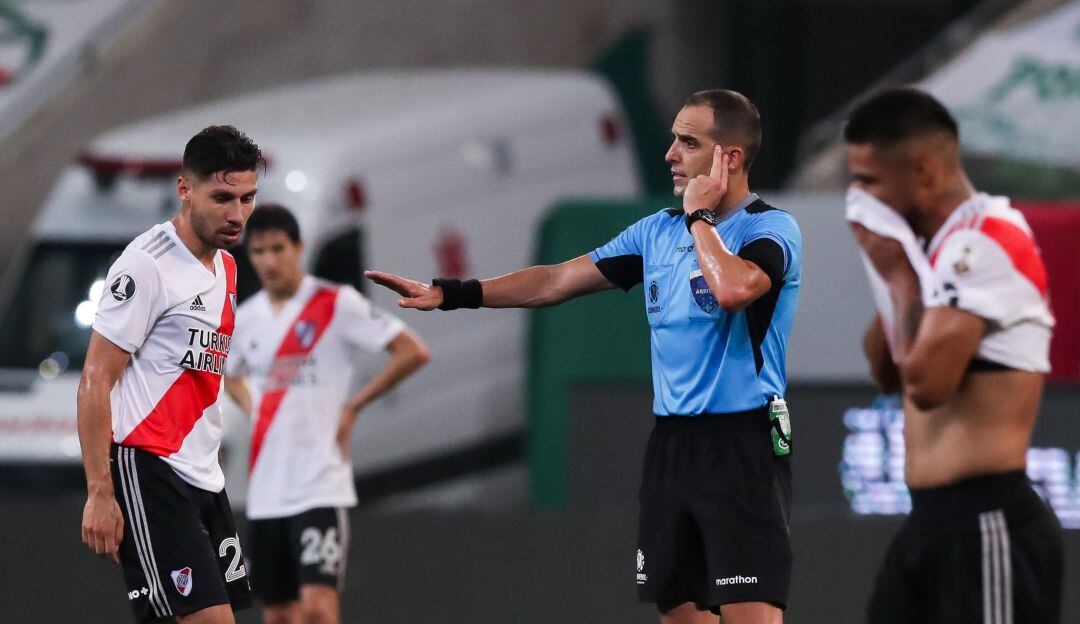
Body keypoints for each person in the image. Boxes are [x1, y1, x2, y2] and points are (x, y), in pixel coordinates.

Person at [366, 89, 801, 624]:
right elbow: (555, 280)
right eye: (672, 140)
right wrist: (454, 293)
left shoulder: (770, 229)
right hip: (672, 448)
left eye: (688, 142)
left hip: (742, 447)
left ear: (728, 158)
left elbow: (734, 289)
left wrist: (700, 219)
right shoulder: (655, 232)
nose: (669, 154)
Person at [844, 86, 1063, 623]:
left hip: (987, 522)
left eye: (869, 181)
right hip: (929, 523)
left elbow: (927, 383)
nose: (859, 198)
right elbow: (887, 373)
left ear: (922, 172)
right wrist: (888, 274)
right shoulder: (933, 250)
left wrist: (899, 278)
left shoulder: (986, 240)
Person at [78, 125, 262, 624]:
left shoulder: (226, 267)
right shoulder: (146, 265)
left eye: (247, 198)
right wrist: (101, 490)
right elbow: (96, 377)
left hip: (204, 476)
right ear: (185, 189)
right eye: (222, 197)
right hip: (150, 468)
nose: (237, 214)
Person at [223, 205, 430, 624]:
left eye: (278, 248)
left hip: (319, 482)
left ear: (298, 248)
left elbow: (412, 351)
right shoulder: (245, 319)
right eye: (259, 252)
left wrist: (353, 406)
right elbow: (230, 376)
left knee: (318, 608)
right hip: (266, 489)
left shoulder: (335, 304)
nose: (269, 260)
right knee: (279, 613)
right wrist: (255, 407)